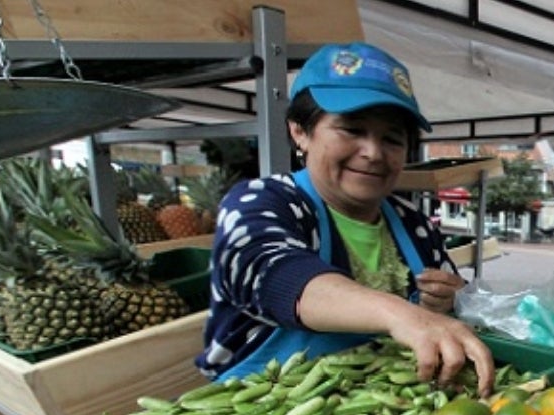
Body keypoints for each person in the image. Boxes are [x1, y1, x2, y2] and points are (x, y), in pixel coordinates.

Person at [197, 41, 495, 395]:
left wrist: (445, 303)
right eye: (352, 130)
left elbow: (445, 313)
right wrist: (401, 314)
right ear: (300, 132)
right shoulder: (260, 202)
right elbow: (275, 274)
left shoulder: (412, 224)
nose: (373, 153)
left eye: (393, 139)